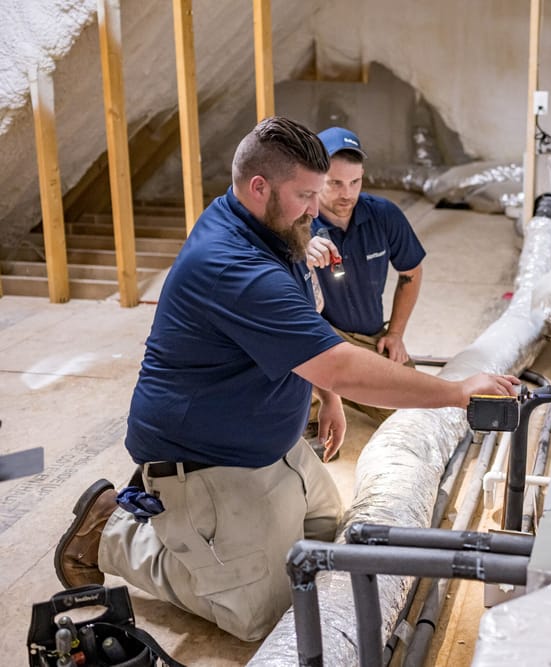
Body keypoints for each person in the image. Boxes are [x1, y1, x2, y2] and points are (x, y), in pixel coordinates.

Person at [53, 116, 518, 643]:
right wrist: (456, 392)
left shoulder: (275, 231)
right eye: (306, 195)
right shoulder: (233, 266)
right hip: (206, 458)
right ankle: (111, 530)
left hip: (269, 441)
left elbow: (310, 331)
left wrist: (328, 400)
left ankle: (209, 536)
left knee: (323, 532)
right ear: (259, 187)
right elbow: (339, 362)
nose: (318, 210)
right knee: (259, 615)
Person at [305, 127, 425, 435]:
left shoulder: (383, 215)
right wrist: (298, 251)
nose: (347, 194)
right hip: (318, 339)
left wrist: (395, 334)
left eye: (354, 182)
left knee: (411, 414)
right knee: (282, 390)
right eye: (335, 183)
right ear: (315, 178)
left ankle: (347, 390)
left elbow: (411, 273)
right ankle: (316, 406)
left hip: (366, 338)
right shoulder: (297, 221)